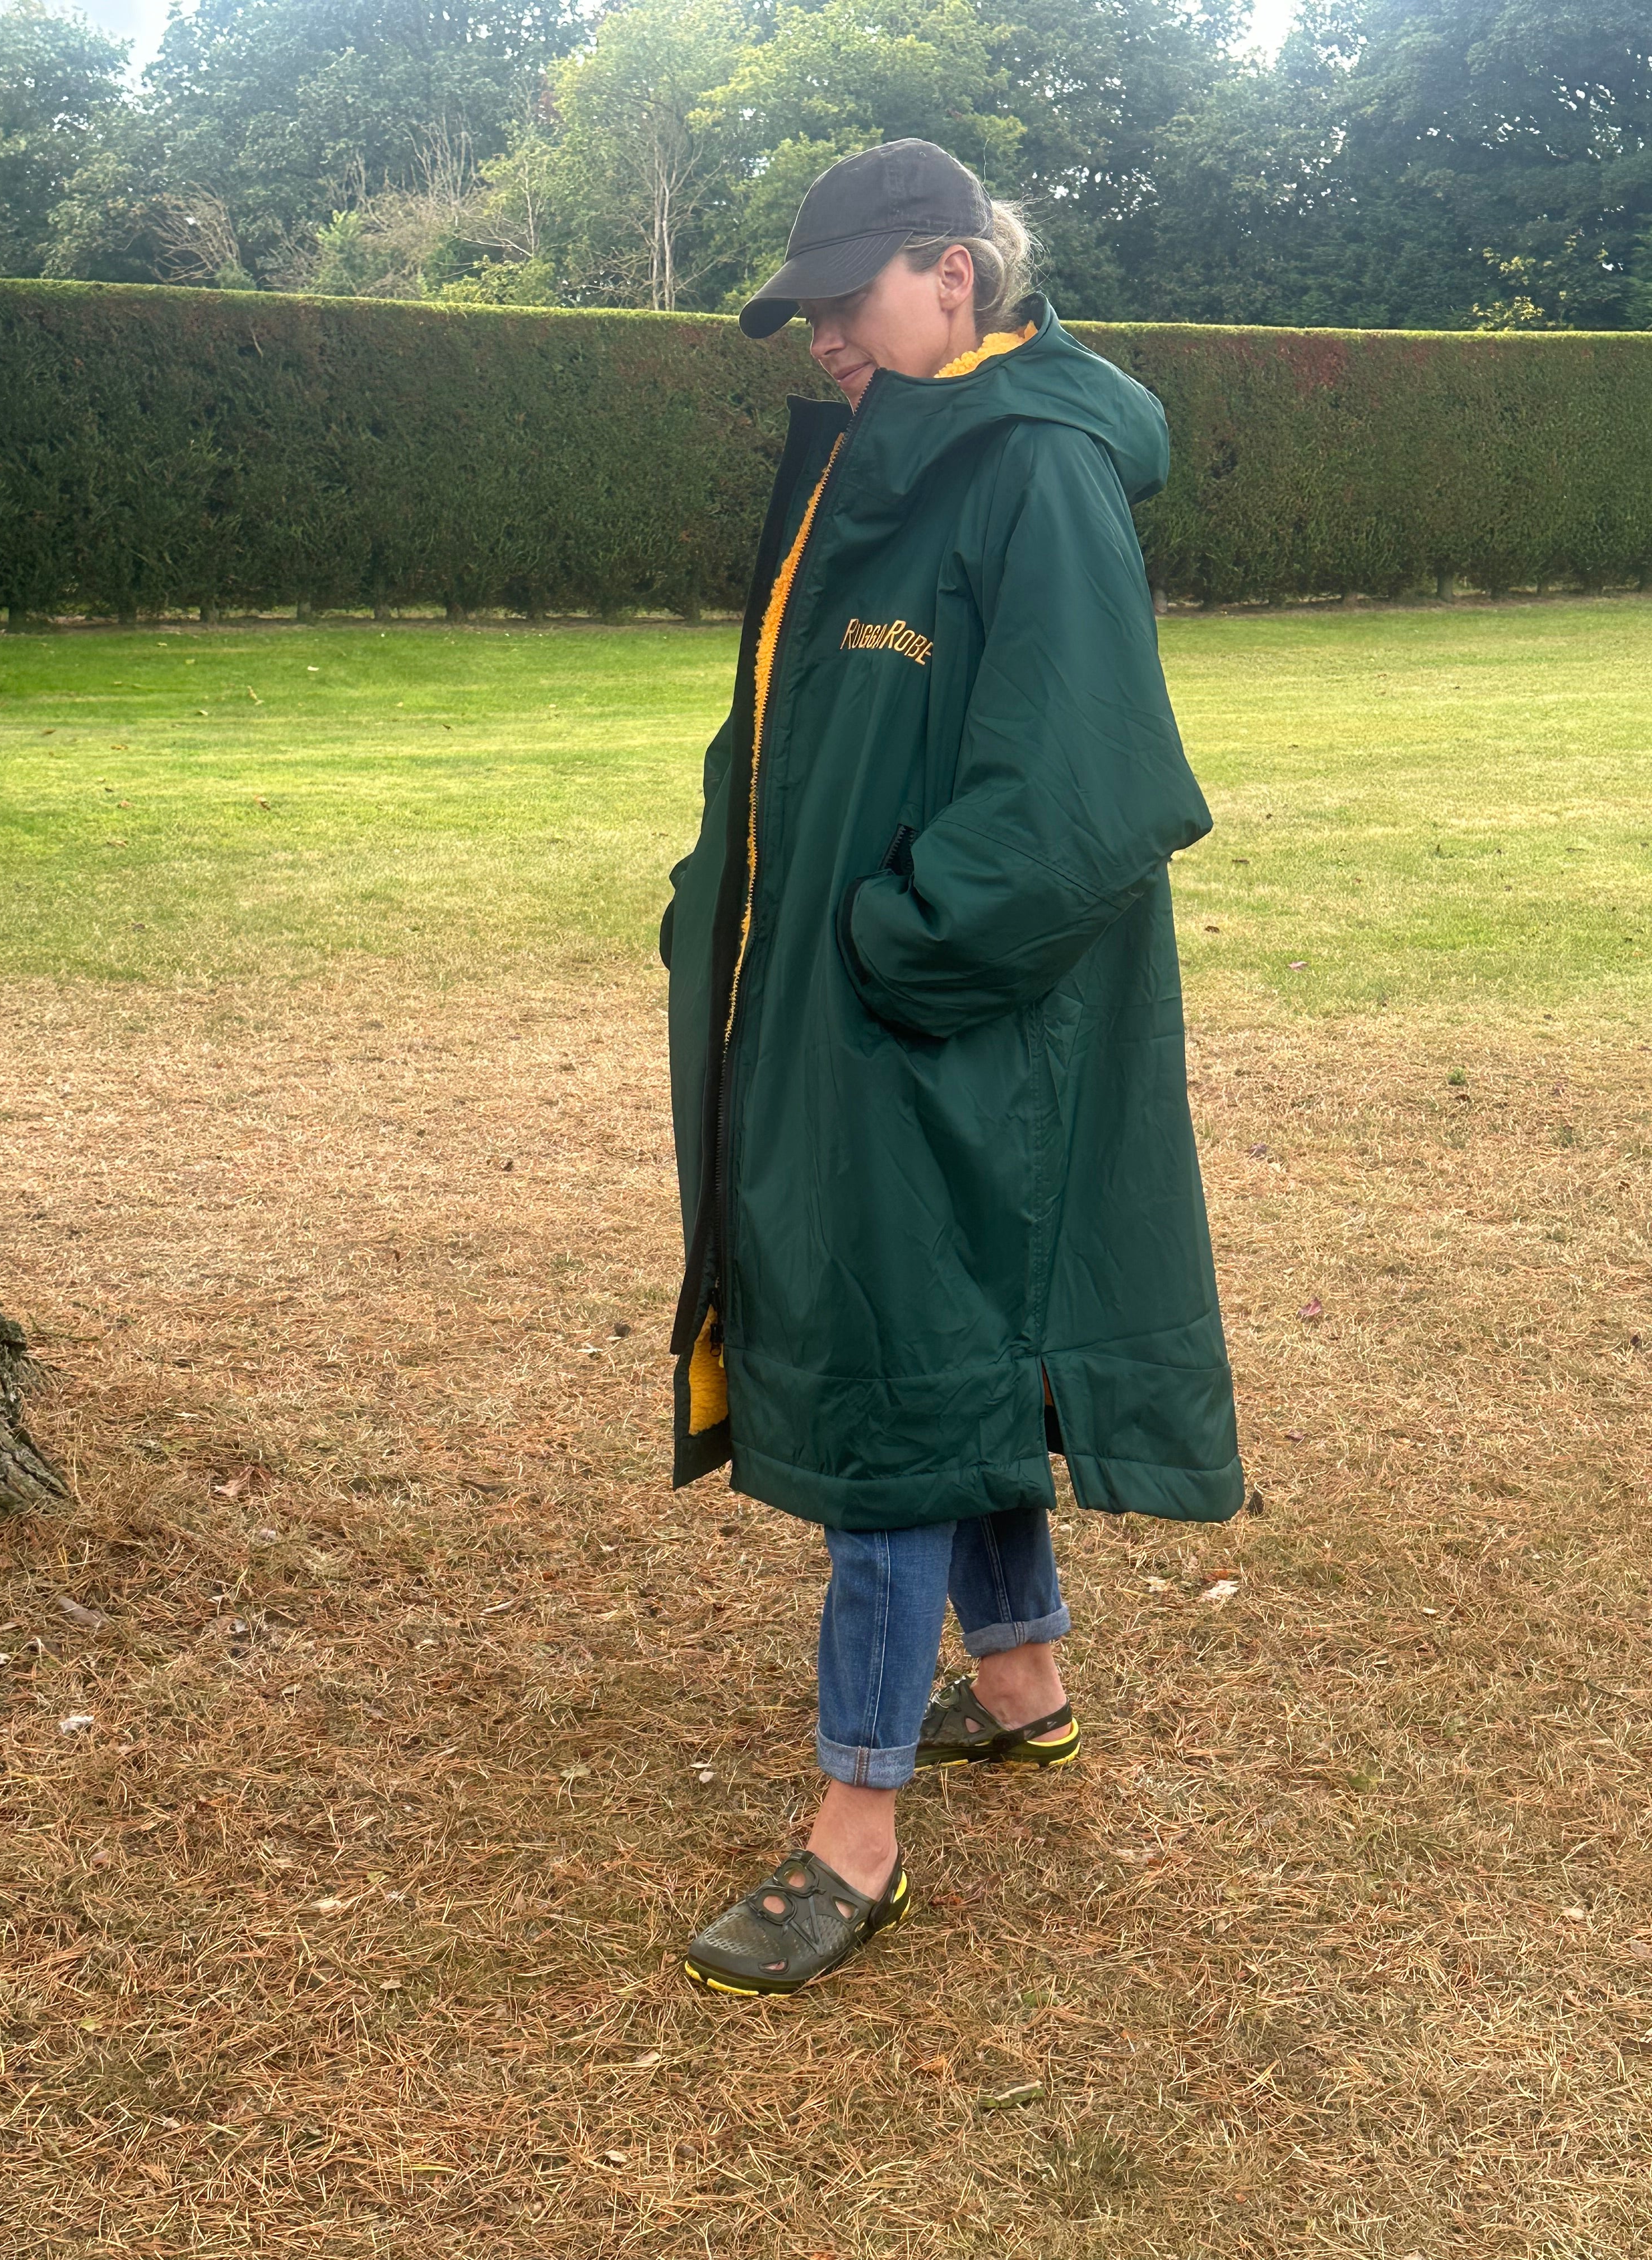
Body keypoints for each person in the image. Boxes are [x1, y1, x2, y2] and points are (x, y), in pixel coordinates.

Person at [658, 138, 1243, 1998]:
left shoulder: (1034, 464)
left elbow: (1086, 795)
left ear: (954, 276)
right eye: (810, 310)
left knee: (904, 1373)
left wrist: (887, 945)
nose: (822, 335)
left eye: (849, 298)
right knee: (949, 1334)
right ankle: (1024, 1683)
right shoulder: (884, 452)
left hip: (943, 1023)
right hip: (862, 1012)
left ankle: (857, 1831)